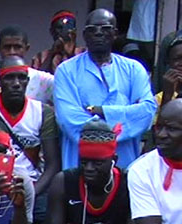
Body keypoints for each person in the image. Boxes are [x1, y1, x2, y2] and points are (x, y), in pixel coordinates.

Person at [0, 56, 60, 224]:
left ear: (28, 81)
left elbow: (52, 164)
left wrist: (30, 193)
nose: (16, 83)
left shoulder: (42, 112)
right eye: (9, 78)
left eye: (21, 78)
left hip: (33, 185)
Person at [54, 8, 156, 169]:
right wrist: (124, 116)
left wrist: (101, 111)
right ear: (84, 35)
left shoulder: (134, 69)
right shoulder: (66, 71)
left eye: (105, 29)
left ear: (115, 34)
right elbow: (69, 118)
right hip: (81, 164)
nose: (98, 33)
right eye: (92, 29)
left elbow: (147, 112)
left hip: (123, 163)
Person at [0, 26, 54, 104]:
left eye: (17, 47)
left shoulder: (45, 80)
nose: (12, 52)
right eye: (7, 47)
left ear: (27, 48)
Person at [31, 10, 86, 74]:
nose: (63, 31)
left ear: (74, 31)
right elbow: (36, 77)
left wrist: (70, 53)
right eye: (59, 28)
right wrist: (51, 54)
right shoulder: (40, 57)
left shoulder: (84, 53)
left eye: (68, 27)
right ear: (52, 32)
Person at [156, 36, 182, 108]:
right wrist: (167, 95)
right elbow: (163, 115)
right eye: (177, 59)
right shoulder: (158, 99)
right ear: (169, 62)